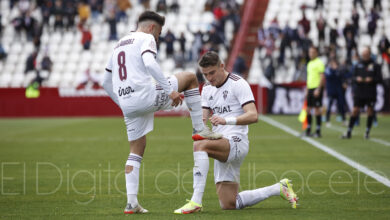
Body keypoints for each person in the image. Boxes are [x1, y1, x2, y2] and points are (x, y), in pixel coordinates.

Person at [102, 11, 222, 214]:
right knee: (190, 77)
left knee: (136, 147)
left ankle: (131, 203)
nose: (157, 38)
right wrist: (171, 91)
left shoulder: (119, 44)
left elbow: (105, 82)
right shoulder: (146, 38)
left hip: (127, 102)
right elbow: (149, 63)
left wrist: (122, 104)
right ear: (152, 28)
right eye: (158, 33)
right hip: (145, 94)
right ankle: (200, 129)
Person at [174, 51, 298, 214]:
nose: (209, 78)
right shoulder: (207, 89)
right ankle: (278, 188)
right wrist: (197, 124)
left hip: (236, 142)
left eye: (212, 73)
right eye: (205, 74)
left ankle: (196, 201)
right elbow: (202, 119)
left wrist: (227, 120)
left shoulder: (238, 83)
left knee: (200, 146)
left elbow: (253, 115)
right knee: (229, 203)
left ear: (222, 66)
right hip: (220, 142)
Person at [342, 47, 382, 139]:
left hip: (370, 92)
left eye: (366, 53)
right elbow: (352, 78)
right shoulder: (357, 65)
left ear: (369, 53)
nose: (364, 55)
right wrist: (356, 79)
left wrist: (372, 79)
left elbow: (379, 79)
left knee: (370, 110)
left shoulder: (375, 65)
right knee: (355, 110)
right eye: (363, 53)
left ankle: (367, 131)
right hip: (359, 92)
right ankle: (349, 131)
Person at [305, 46, 325, 137]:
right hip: (310, 88)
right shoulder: (309, 63)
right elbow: (309, 78)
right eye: (310, 52)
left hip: (316, 88)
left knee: (317, 109)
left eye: (313, 52)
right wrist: (307, 89)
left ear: (316, 53)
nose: (311, 54)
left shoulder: (319, 63)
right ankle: (308, 129)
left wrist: (319, 89)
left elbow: (322, 77)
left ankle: (318, 130)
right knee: (308, 109)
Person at [324, 59, 346, 126]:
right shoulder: (328, 70)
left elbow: (342, 77)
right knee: (329, 106)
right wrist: (334, 70)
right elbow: (329, 76)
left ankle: (344, 120)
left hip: (338, 90)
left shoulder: (339, 70)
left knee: (341, 105)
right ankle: (327, 120)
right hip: (331, 90)